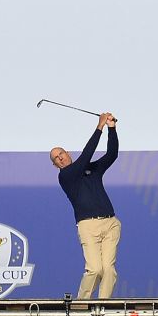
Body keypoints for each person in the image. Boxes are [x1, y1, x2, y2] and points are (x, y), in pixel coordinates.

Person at [51, 112, 120, 299]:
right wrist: (99, 126)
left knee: (108, 270)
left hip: (110, 223)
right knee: (95, 269)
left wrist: (111, 128)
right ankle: (81, 305)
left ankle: (103, 307)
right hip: (88, 226)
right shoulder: (65, 176)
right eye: (56, 158)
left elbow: (112, 155)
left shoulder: (91, 169)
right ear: (56, 165)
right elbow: (86, 155)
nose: (60, 158)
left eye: (61, 154)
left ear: (67, 154)